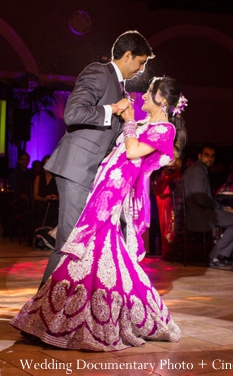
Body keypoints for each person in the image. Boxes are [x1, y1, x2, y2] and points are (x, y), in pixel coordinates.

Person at [10, 76, 187, 350]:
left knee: (94, 244)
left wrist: (128, 120)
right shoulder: (144, 123)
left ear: (163, 99)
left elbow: (132, 152)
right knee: (101, 248)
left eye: (151, 92)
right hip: (104, 182)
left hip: (115, 189)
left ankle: (88, 314)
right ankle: (82, 311)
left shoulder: (165, 130)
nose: (144, 96)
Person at [41, 30, 154, 285]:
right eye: (141, 62)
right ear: (127, 55)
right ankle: (39, 318)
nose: (140, 69)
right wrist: (113, 108)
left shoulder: (119, 86)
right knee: (70, 244)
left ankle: (51, 315)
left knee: (78, 245)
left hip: (89, 173)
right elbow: (73, 114)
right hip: (77, 169)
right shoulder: (100, 72)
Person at [182, 143, 233, 268]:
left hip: (197, 211)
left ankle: (219, 255)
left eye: (212, 156)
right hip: (198, 213)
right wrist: (221, 207)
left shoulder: (198, 170)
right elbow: (201, 198)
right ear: (199, 156)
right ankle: (215, 256)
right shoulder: (197, 171)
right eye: (206, 155)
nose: (209, 159)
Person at [154, 158, 182, 259]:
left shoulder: (178, 172)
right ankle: (168, 251)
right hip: (168, 201)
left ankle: (172, 251)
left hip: (175, 202)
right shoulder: (169, 171)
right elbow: (159, 188)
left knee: (172, 225)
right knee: (167, 224)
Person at [33, 155, 59, 229]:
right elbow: (35, 195)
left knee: (53, 208)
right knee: (43, 209)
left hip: (54, 204)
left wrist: (57, 198)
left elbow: (63, 196)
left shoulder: (57, 179)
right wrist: (44, 198)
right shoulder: (38, 178)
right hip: (41, 203)